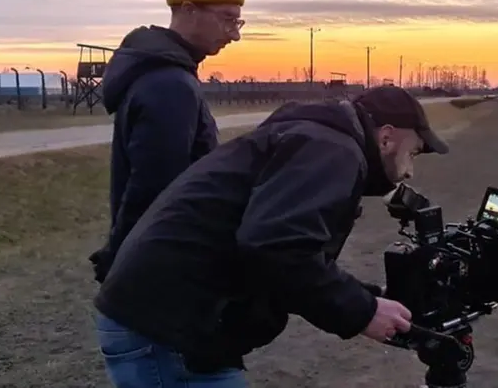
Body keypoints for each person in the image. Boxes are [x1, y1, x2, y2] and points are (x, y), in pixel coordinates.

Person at [93, 86, 450, 387]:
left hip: (169, 321)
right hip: (166, 330)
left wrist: (364, 298)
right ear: (387, 137)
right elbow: (277, 248)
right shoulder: (333, 149)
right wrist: (362, 311)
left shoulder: (314, 137)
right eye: (413, 153)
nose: (410, 170)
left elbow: (287, 250)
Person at [88, 0, 245, 283]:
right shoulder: (168, 85)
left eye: (238, 21)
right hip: (159, 269)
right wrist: (119, 258)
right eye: (227, 19)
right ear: (188, 10)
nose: (235, 34)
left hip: (155, 260)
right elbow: (154, 187)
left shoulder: (163, 75)